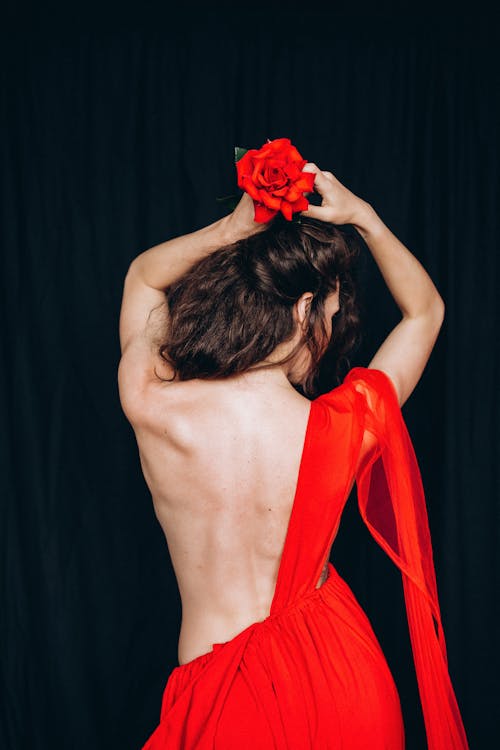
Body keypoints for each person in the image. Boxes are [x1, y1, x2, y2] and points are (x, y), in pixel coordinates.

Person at [118, 164, 470, 748]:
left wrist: (231, 230)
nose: (328, 334)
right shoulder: (343, 426)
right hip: (344, 683)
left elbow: (144, 279)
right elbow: (425, 312)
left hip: (226, 697)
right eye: (330, 317)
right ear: (306, 308)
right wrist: (364, 217)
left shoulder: (154, 403)